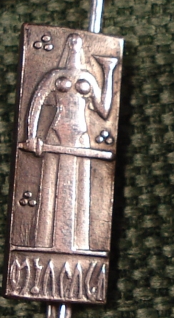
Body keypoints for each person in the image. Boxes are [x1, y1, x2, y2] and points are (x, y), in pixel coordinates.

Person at [20, 35, 118, 254]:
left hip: (81, 137)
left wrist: (108, 72)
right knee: (51, 186)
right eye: (71, 44)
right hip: (56, 134)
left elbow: (104, 111)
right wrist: (32, 136)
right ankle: (45, 243)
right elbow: (36, 103)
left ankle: (79, 245)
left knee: (80, 189)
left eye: (77, 44)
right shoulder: (55, 76)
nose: (74, 47)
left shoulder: (88, 77)